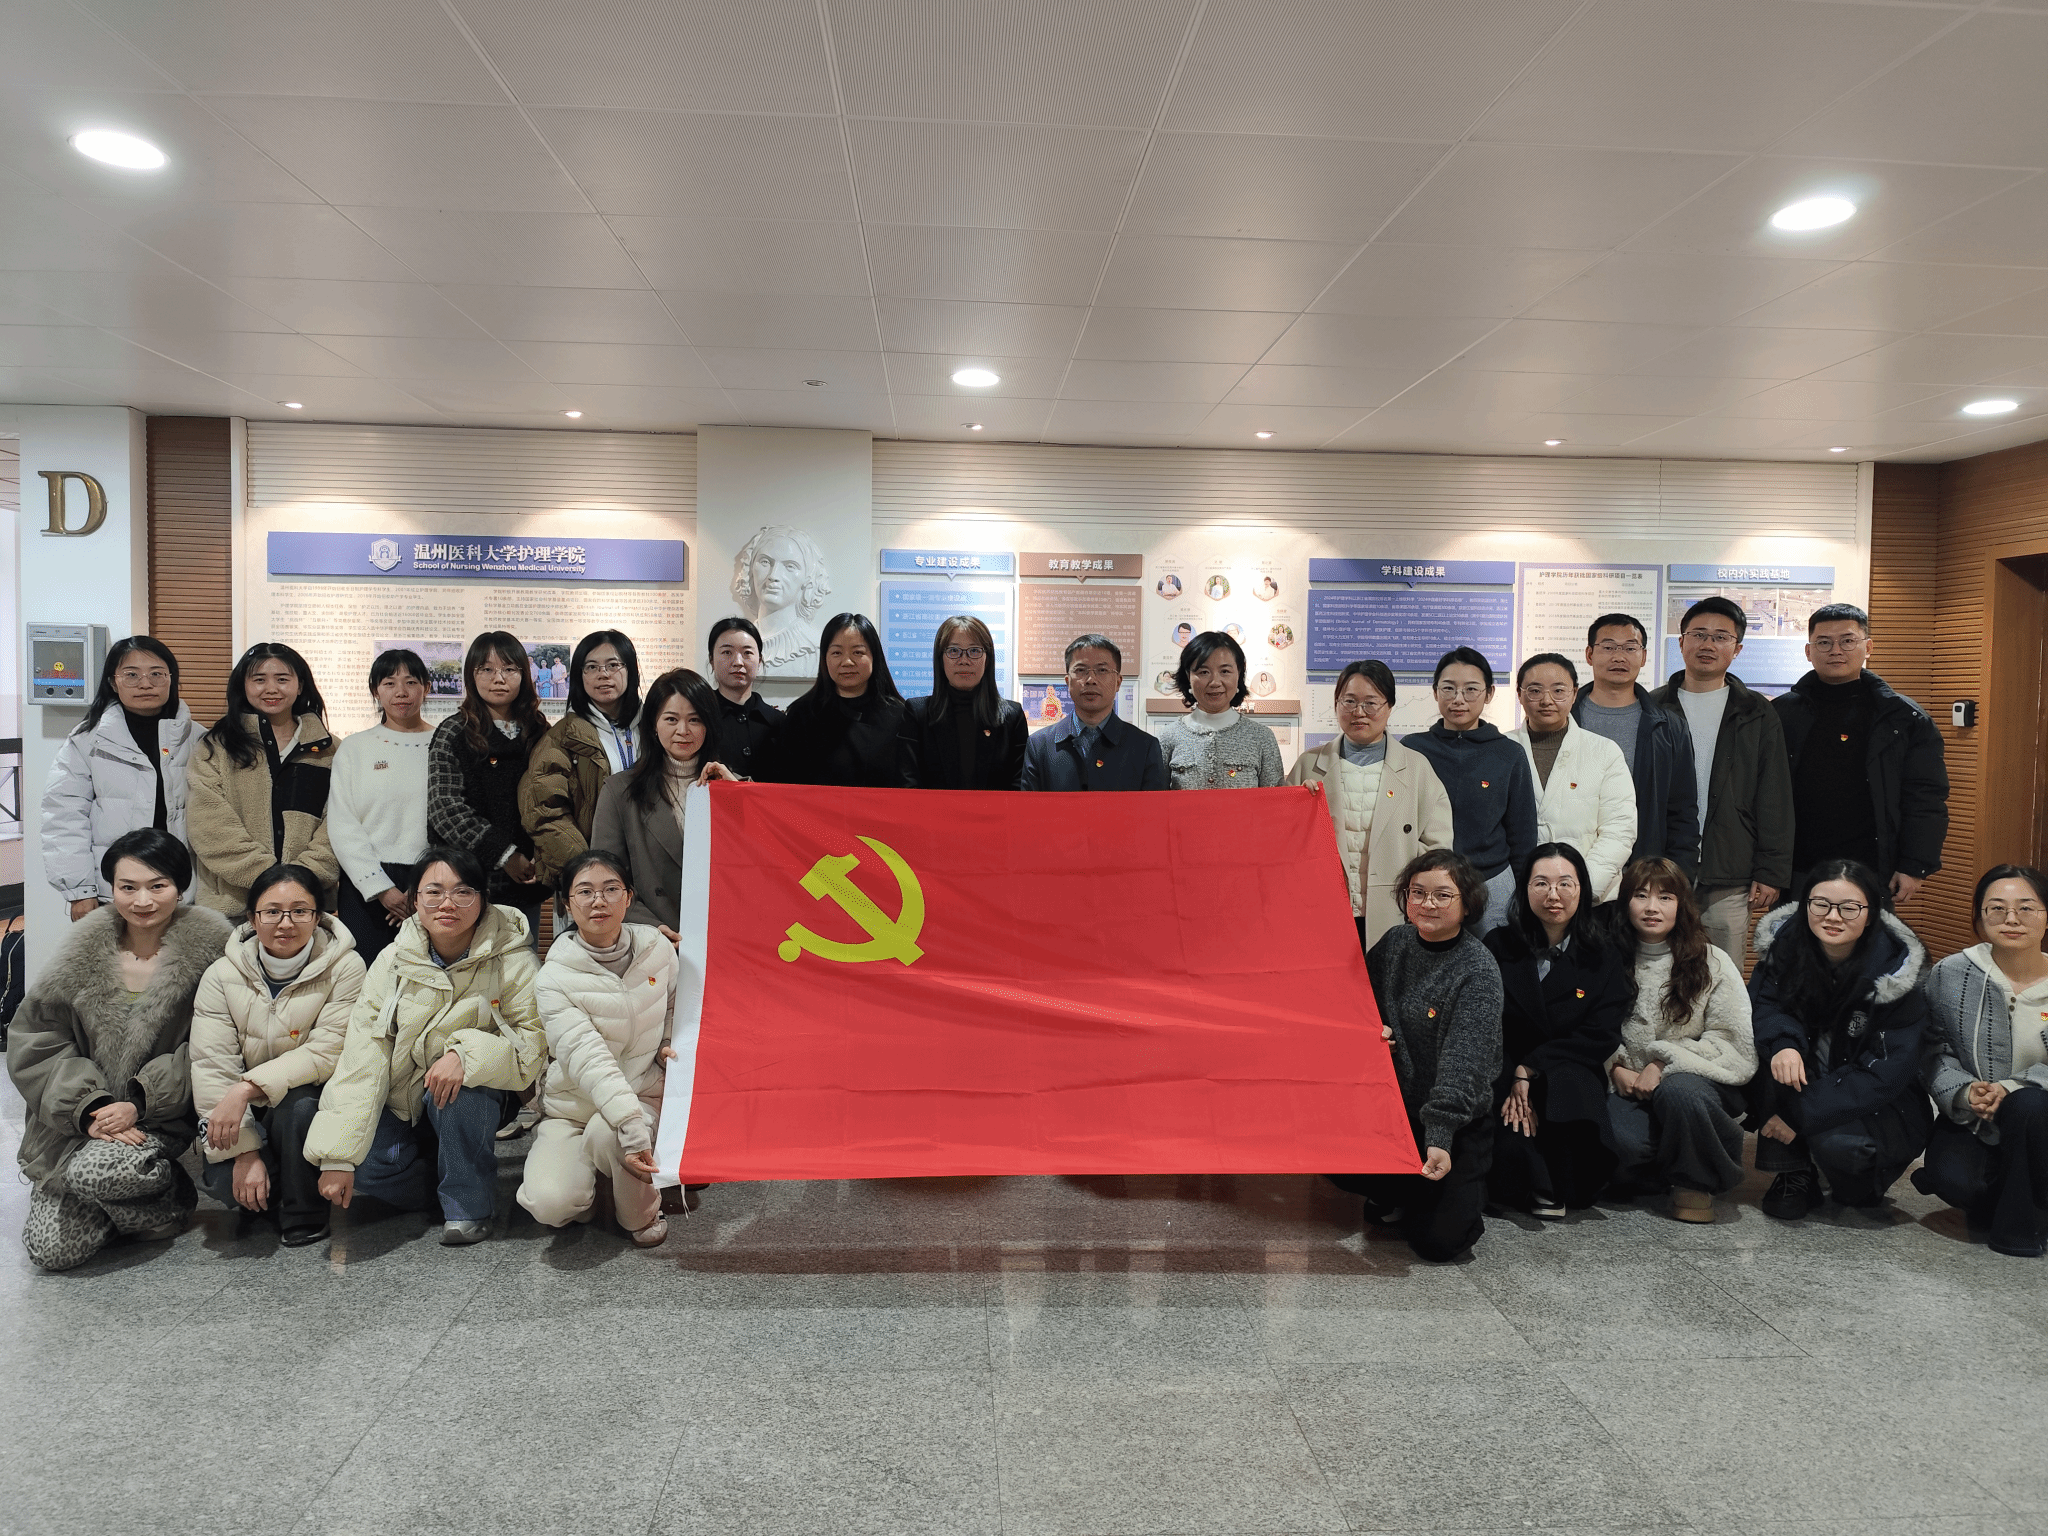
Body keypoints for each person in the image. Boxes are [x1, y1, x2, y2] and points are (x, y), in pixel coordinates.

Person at [7, 830, 233, 1270]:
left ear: (180, 887)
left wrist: (139, 1102)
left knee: (95, 1172)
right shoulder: (78, 953)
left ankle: (166, 1194)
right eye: (128, 887)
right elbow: (37, 1042)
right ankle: (140, 1212)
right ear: (112, 888)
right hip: (78, 1119)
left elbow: (215, 1046)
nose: (142, 900)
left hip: (156, 1115)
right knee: (51, 1251)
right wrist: (90, 1107)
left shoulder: (215, 955)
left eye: (157, 886)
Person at [303, 847, 546, 1245]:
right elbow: (364, 1055)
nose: (447, 904)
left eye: (463, 892)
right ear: (414, 900)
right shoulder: (392, 960)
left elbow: (532, 1045)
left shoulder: (514, 958)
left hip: (476, 1094)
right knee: (366, 1167)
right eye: (433, 892)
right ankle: (447, 1182)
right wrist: (338, 1156)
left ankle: (468, 1207)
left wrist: (465, 1055)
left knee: (458, 1094)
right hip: (404, 1098)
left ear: (483, 898)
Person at [1338, 849, 1502, 1263]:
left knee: (1439, 1242)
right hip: (1395, 1108)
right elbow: (1358, 1003)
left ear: (1467, 904)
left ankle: (1447, 1191)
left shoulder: (1478, 970)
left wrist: (1440, 1136)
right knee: (1333, 1157)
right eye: (1417, 892)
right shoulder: (1395, 943)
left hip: (1456, 1120)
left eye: (1443, 895)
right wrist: (1371, 1034)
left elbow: (1463, 1065)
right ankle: (1402, 1188)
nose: (1428, 903)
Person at [189, 862, 365, 1246]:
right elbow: (212, 1066)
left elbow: (328, 1050)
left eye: (300, 911)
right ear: (252, 918)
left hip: (311, 1097)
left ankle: (304, 1211)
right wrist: (244, 1153)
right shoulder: (221, 975)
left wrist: (246, 1089)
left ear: (319, 917)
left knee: (298, 1106)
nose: (285, 923)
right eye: (271, 912)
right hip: (245, 1107)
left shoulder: (346, 967)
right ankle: (272, 1189)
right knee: (224, 1183)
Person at [1748, 858, 1934, 1219]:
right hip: (1811, 1072)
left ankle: (1854, 1171)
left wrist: (1797, 1115)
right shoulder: (1787, 945)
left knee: (1849, 1168)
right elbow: (1765, 1005)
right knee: (1769, 1052)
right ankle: (1793, 1173)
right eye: (1820, 904)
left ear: (1871, 913)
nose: (1833, 917)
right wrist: (1784, 1043)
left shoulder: (1898, 971)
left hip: (1878, 1099)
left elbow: (1886, 1072)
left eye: (1849, 908)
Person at [516, 850, 680, 1247]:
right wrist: (631, 1126)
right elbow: (587, 1057)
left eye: (610, 889)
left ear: (629, 897)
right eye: (585, 892)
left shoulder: (657, 948)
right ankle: (588, 1190)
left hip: (642, 1093)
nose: (598, 901)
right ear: (567, 904)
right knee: (550, 1204)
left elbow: (676, 1006)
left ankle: (640, 1213)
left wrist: (667, 1042)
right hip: (574, 1106)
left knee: (611, 1134)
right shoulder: (554, 977)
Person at [1482, 842, 1631, 1218]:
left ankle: (1562, 1184)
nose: (1553, 895)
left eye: (1566, 883)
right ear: (1525, 889)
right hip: (1506, 1061)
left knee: (1567, 1086)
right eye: (1541, 884)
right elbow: (1485, 1021)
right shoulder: (1498, 945)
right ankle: (1530, 1183)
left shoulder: (1604, 954)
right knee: (1507, 1131)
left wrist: (1532, 1067)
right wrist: (1517, 1071)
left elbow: (1601, 1033)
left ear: (1582, 889)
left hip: (1570, 1062)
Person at [1606, 857, 1757, 1223]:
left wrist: (1664, 1062)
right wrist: (1615, 1067)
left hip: (1696, 1082)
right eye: (1641, 895)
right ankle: (1677, 1160)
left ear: (1682, 904)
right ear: (1626, 902)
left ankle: (1695, 1183)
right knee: (1622, 1143)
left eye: (1665, 897)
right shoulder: (1606, 958)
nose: (1652, 907)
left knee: (1680, 1093)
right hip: (1629, 1086)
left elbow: (1732, 1041)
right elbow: (1590, 1027)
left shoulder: (1712, 961)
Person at [1645, 596, 1794, 963]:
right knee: (1654, 967)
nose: (1708, 644)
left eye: (1721, 637)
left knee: (1722, 973)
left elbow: (1774, 795)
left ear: (1737, 648)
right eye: (1698, 634)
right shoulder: (1652, 707)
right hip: (1659, 866)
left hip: (1730, 870)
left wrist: (1771, 871)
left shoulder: (1757, 711)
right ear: (1681, 643)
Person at [1773, 602, 1948, 905]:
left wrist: (1914, 865)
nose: (1835, 651)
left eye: (1847, 641)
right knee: (1792, 936)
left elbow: (1925, 797)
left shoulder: (1903, 717)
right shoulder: (1780, 713)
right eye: (1824, 642)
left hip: (1872, 869)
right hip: (1796, 870)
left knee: (1869, 936)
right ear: (1808, 651)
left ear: (1868, 647)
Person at [1914, 864, 2048, 1258]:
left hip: (2041, 1115)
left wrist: (2012, 1087)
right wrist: (1964, 1090)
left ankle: (2017, 1234)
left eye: (2026, 908)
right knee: (1955, 1182)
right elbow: (1931, 1048)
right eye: (1997, 908)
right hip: (1976, 1117)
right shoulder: (1951, 973)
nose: (2012, 919)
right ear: (1979, 917)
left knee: (2029, 1104)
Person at [1284, 660, 1454, 948]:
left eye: (1371, 703)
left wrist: (1415, 892)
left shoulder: (1417, 768)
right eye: (1349, 701)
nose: (1359, 712)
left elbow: (1437, 846)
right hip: (1321, 906)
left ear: (1389, 706)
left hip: (1395, 908)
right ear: (1336, 704)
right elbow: (1284, 841)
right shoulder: (1308, 765)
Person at [41, 636, 203, 921]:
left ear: (171, 679)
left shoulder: (198, 739)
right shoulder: (87, 741)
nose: (145, 683)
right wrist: (80, 890)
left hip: (182, 886)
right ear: (113, 683)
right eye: (131, 675)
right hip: (115, 889)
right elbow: (63, 816)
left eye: (157, 674)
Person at [185, 642, 340, 917]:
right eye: (259, 680)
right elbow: (208, 824)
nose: (271, 689)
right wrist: (270, 878)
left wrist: (301, 881)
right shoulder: (216, 747)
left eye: (282, 679)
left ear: (300, 686)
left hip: (308, 906)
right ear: (243, 686)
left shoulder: (330, 749)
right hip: (232, 908)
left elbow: (340, 823)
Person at [590, 669, 743, 936]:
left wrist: (738, 795)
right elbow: (605, 879)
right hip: (650, 937)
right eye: (671, 719)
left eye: (695, 720)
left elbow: (762, 866)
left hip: (724, 933)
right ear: (653, 724)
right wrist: (652, 927)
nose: (683, 731)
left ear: (709, 725)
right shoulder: (619, 792)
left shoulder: (735, 787)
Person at [1401, 647, 1538, 935]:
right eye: (1448, 688)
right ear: (1435, 692)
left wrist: (1523, 895)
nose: (1458, 699)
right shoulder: (1412, 749)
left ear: (1489, 693)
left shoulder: (1509, 753)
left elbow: (1522, 834)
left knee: (1495, 957)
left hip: (1492, 881)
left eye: (1471, 689)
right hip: (1427, 884)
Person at [427, 632, 550, 938]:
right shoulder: (454, 732)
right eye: (486, 669)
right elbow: (446, 809)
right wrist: (504, 854)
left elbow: (554, 797)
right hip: (467, 883)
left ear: (524, 674)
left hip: (528, 880)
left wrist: (547, 854)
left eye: (509, 669)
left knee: (521, 962)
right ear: (472, 675)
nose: (499, 678)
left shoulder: (539, 730)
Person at [327, 649, 434, 966]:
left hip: (432, 878)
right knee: (366, 972)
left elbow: (454, 815)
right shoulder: (355, 747)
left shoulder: (445, 742)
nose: (401, 692)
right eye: (389, 683)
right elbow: (343, 824)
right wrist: (382, 889)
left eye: (411, 682)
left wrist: (425, 887)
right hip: (366, 883)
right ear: (375, 690)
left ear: (426, 687)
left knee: (427, 974)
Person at [1572, 612, 1699, 877]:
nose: (1619, 657)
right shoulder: (1564, 719)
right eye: (1608, 647)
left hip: (1643, 873)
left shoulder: (1668, 727)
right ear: (1589, 654)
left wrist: (1679, 876)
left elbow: (1682, 811)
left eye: (1630, 648)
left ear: (1643, 657)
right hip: (1571, 869)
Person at [519, 630, 642, 893]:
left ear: (630, 670)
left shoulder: (655, 727)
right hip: (590, 881)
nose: (603, 674)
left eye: (613, 665)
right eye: (592, 667)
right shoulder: (562, 737)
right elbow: (544, 811)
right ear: (579, 676)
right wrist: (587, 872)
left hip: (650, 872)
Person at [1509, 653, 1636, 901]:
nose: (1547, 700)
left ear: (1574, 693)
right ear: (1520, 694)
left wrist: (1582, 888)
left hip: (1591, 898)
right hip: (1520, 896)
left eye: (1558, 691)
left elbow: (1619, 830)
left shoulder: (1604, 751)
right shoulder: (1501, 748)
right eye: (1535, 691)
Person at [769, 614, 911, 788]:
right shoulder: (802, 715)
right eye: (836, 653)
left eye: (858, 652)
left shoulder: (899, 715)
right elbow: (784, 784)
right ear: (825, 658)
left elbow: (909, 782)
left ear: (874, 656)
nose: (847, 662)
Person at [1022, 634, 1168, 792]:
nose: (1091, 679)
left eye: (1102, 670)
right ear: (1067, 682)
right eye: (1080, 670)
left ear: (1118, 682)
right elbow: (1029, 806)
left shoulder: (1144, 746)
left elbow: (1153, 807)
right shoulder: (1039, 745)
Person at [900, 614, 1027, 790]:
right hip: (929, 809)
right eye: (953, 651)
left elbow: (1018, 786)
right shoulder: (916, 713)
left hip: (994, 809)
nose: (964, 661)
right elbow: (909, 784)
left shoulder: (1012, 716)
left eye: (974, 651)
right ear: (940, 658)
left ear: (987, 659)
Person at [1154, 631, 1284, 789]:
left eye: (1225, 671)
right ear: (1188, 676)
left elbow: (1276, 800)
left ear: (1239, 673)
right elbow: (1155, 800)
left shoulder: (1262, 737)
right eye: (1204, 672)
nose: (1215, 682)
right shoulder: (1167, 737)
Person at [731, 525, 833, 671]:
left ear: (807, 578)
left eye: (790, 566)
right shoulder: (737, 645)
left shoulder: (815, 650)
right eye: (765, 562)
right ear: (751, 569)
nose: (773, 576)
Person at [707, 616, 785, 776]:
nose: (738, 662)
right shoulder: (701, 717)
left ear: (760, 660)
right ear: (712, 660)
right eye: (727, 652)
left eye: (747, 652)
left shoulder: (779, 722)